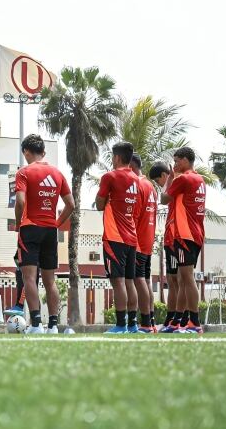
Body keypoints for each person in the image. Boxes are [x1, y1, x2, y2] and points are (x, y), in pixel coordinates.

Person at [14, 134, 75, 335]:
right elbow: (71, 204)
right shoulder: (57, 173)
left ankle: (36, 324)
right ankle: (54, 326)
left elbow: (21, 201)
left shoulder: (24, 172)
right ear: (44, 152)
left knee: (29, 277)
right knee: (50, 280)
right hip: (50, 231)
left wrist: (17, 223)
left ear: (26, 152)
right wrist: (56, 223)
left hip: (30, 228)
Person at [96, 142, 140, 334]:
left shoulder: (109, 177)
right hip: (132, 237)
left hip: (115, 237)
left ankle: (121, 324)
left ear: (116, 157)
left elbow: (99, 204)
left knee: (118, 282)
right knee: (130, 282)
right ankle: (133, 324)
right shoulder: (136, 179)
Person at [161, 147, 206, 334]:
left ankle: (194, 322)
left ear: (186, 160)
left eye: (177, 160)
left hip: (185, 234)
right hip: (195, 234)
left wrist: (170, 178)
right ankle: (178, 322)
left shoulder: (184, 179)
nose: (175, 164)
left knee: (186, 278)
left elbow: (164, 199)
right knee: (182, 278)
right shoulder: (199, 179)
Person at [148, 162, 178, 331]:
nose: (160, 186)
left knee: (177, 281)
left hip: (176, 238)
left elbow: (163, 199)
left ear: (164, 176)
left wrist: (169, 181)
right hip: (170, 237)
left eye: (159, 181)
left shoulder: (175, 184)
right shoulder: (173, 186)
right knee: (172, 280)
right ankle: (172, 318)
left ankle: (177, 318)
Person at [130, 155, 158, 333]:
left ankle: (146, 324)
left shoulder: (138, 185)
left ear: (131, 165)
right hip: (148, 240)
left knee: (138, 279)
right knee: (145, 280)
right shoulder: (151, 186)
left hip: (138, 241)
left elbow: (134, 215)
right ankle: (151, 322)